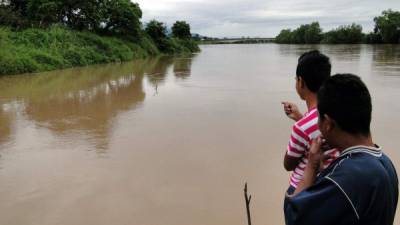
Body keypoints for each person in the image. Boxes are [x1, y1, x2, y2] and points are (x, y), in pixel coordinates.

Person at [285, 74, 398, 225]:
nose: (318, 125)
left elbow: (293, 216)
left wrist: (311, 166)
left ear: (328, 124)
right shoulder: (385, 163)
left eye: (319, 118)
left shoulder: (345, 179)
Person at [282, 50, 339, 196]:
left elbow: (288, 164)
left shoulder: (302, 127)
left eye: (296, 79)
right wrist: (300, 117)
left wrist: (300, 124)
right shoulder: (336, 112)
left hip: (301, 189)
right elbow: (315, 130)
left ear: (301, 82)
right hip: (327, 186)